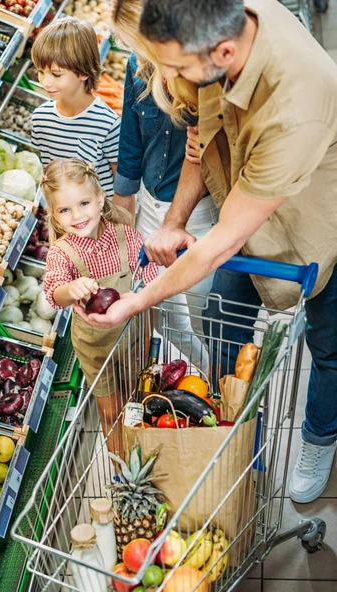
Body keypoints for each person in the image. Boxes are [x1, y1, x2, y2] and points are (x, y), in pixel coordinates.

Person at [75, 0, 337, 504]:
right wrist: (173, 222)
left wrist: (134, 301)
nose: (163, 79)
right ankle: (233, 433)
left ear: (221, 52)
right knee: (222, 321)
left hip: (317, 215)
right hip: (251, 196)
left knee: (330, 346)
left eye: (173, 69)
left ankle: (319, 438)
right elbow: (201, 140)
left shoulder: (295, 104)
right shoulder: (217, 32)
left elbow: (223, 241)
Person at [111, 0, 219, 370]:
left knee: (201, 311)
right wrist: (122, 204)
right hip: (149, 206)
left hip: (198, 214)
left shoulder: (199, 72)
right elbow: (131, 140)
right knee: (164, 312)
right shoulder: (136, 67)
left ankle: (214, 376)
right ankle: (190, 375)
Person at [42, 158, 158, 452]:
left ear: (99, 199)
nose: (77, 215)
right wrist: (72, 288)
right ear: (54, 216)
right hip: (95, 349)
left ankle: (142, 454)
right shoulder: (62, 253)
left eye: (83, 204)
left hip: (133, 337)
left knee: (137, 400)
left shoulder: (126, 235)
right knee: (110, 410)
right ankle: (119, 466)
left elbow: (149, 276)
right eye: (65, 210)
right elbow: (54, 292)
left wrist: (146, 291)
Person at [31, 17, 120, 198]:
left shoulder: (108, 124)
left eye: (56, 74)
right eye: (41, 72)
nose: (45, 82)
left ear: (84, 72)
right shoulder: (40, 118)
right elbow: (49, 175)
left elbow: (122, 186)